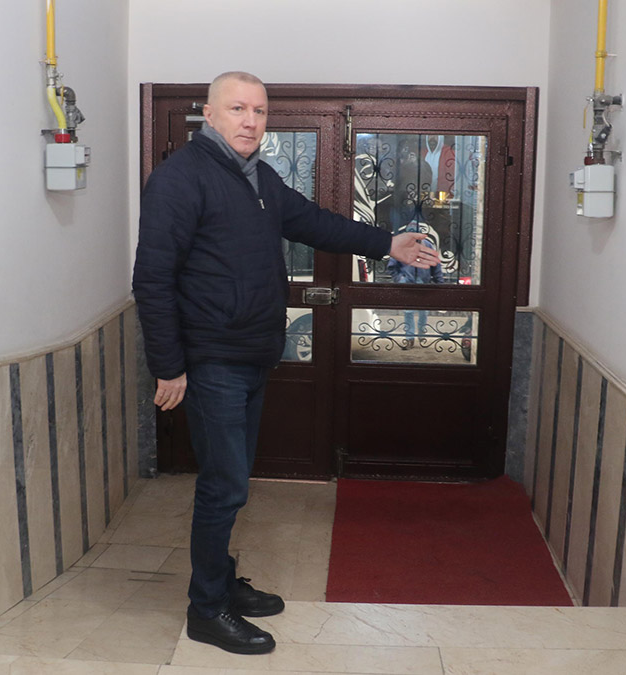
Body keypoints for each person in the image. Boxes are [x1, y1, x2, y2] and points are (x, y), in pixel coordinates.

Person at [132, 71, 440, 655]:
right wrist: (168, 366)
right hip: (212, 359)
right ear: (208, 114)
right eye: (238, 109)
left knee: (233, 482)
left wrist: (386, 243)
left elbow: (313, 222)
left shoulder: (259, 177)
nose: (251, 121)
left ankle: (222, 582)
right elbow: (152, 279)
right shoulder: (180, 178)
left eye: (259, 111)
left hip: (252, 355)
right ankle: (207, 610)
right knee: (223, 487)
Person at [386, 220, 444, 349]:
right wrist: (400, 279)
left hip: (424, 283)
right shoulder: (402, 246)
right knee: (408, 311)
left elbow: (436, 264)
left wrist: (439, 283)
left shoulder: (428, 245)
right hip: (407, 282)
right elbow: (391, 266)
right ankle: (409, 338)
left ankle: (421, 334)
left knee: (423, 312)